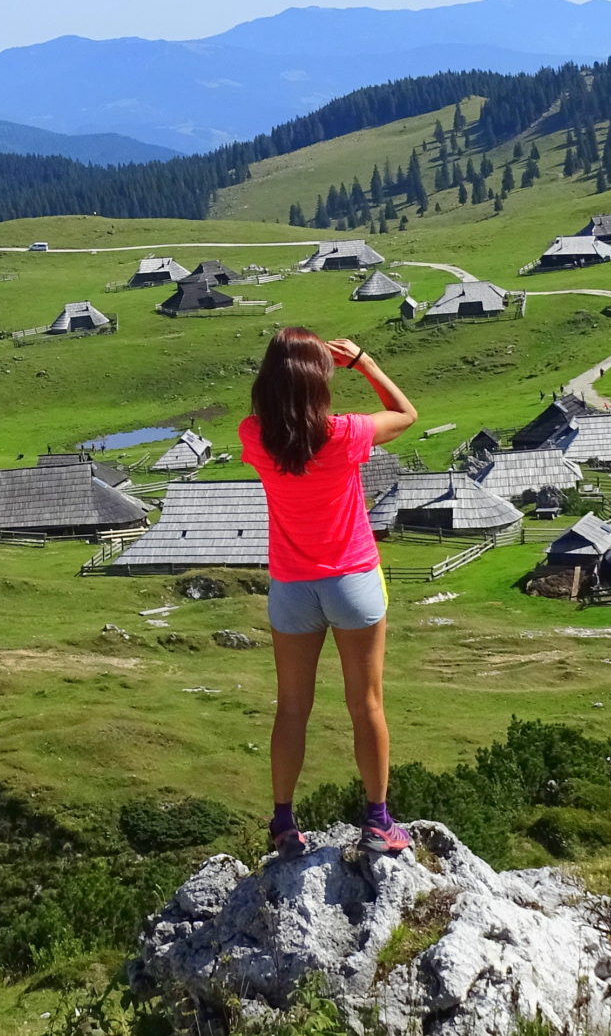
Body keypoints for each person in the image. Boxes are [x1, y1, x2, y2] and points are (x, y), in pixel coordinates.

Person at [241, 327, 419, 858]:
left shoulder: (254, 435)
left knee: (291, 708)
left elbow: (281, 417)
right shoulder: (345, 434)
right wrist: (364, 362)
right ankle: (378, 822)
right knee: (366, 704)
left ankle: (282, 823)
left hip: (292, 587)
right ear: (322, 380)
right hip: (353, 580)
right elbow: (406, 413)